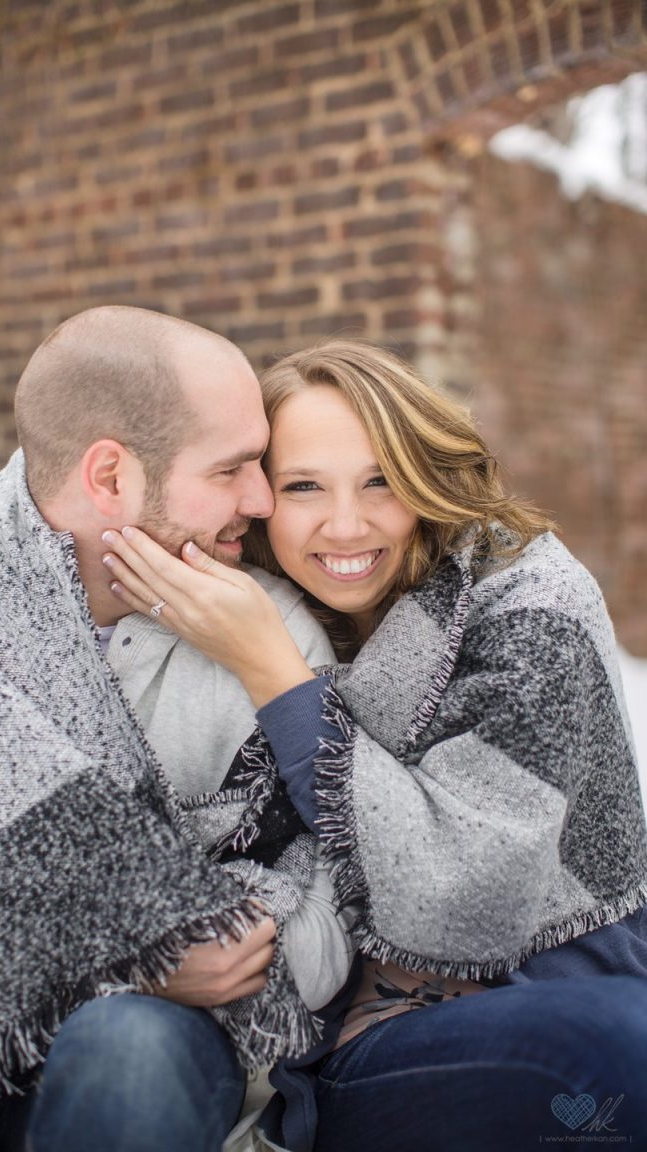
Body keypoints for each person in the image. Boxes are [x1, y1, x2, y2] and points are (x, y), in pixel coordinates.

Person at [101, 337, 647, 1151]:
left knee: (615, 1044)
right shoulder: (261, 608)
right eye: (304, 487)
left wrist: (273, 673)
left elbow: (463, 893)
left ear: (430, 479)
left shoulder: (528, 605)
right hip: (346, 1045)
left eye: (381, 481)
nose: (346, 524)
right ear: (259, 499)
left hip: (550, 988)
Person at [0, 307, 352, 1152]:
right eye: (235, 468)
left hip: (154, 1051)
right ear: (110, 478)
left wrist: (227, 957)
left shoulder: (269, 633)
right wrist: (125, 949)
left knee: (125, 1051)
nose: (262, 499)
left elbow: (335, 902)